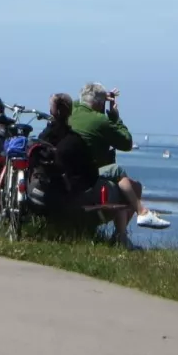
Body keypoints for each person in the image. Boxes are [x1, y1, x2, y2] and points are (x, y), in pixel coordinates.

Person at [69, 82, 169, 229]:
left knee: (123, 182)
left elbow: (80, 101)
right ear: (100, 103)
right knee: (130, 183)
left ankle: (126, 232)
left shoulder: (72, 111)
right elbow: (127, 143)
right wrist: (116, 118)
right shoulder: (100, 121)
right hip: (89, 175)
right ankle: (139, 216)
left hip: (70, 171)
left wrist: (102, 98)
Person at [40, 93, 135, 247]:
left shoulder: (47, 135)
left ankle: (123, 232)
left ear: (52, 112)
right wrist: (115, 117)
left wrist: (99, 97)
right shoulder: (95, 125)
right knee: (126, 182)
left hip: (52, 185)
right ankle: (125, 232)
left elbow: (72, 102)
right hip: (75, 189)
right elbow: (126, 142)